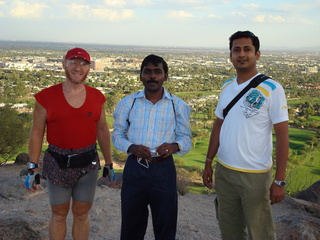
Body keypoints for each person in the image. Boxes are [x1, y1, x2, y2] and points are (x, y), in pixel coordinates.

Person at [202, 31, 289, 240]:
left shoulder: (272, 89)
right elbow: (218, 126)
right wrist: (208, 162)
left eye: (247, 49)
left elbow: (283, 137)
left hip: (255, 176)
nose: (242, 54)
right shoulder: (227, 87)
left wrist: (279, 181)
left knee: (261, 232)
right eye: (236, 50)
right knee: (229, 229)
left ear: (257, 54)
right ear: (230, 55)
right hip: (224, 171)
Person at [25, 47, 115, 240]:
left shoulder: (97, 97)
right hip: (58, 162)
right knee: (58, 215)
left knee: (82, 214)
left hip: (88, 163)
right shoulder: (45, 97)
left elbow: (102, 131)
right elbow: (36, 133)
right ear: (63, 64)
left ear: (89, 68)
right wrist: (32, 167)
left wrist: (109, 163)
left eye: (83, 63)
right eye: (73, 62)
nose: (78, 67)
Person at [112, 54, 192, 240]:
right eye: (147, 72)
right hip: (135, 168)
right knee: (132, 224)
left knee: (165, 224)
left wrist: (174, 146)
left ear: (166, 76)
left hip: (163, 170)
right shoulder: (127, 103)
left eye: (157, 72)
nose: (152, 76)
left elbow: (186, 139)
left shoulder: (177, 105)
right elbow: (117, 135)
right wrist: (131, 147)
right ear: (140, 76)